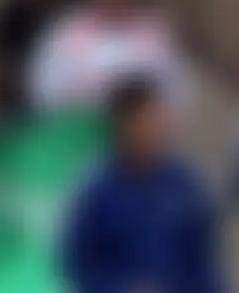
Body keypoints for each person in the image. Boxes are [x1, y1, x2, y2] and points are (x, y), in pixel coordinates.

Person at [62, 78, 221, 293]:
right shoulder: (97, 194)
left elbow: (201, 261)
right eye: (144, 122)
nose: (154, 131)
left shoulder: (183, 185)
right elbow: (79, 267)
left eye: (158, 121)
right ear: (122, 127)